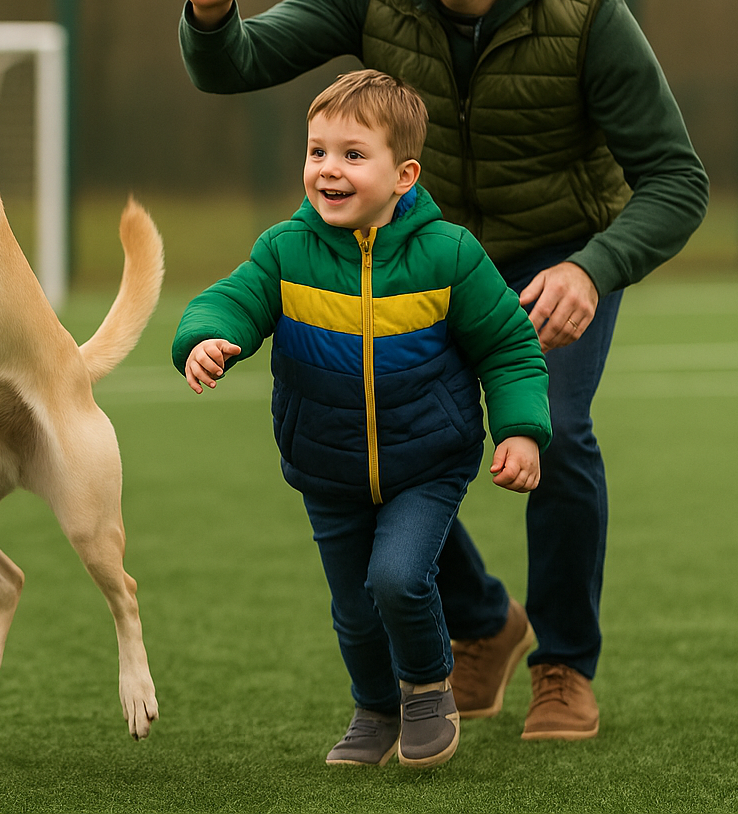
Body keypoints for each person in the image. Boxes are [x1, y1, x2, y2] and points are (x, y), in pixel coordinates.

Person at [173, 0, 708, 740]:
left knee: (557, 430)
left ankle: (564, 665)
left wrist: (593, 269)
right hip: (428, 253)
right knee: (383, 442)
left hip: (556, 255)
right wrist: (214, 17)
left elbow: (676, 179)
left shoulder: (589, 10)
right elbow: (241, 65)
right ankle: (485, 621)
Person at [174, 69, 550, 767]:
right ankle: (375, 708)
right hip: (327, 462)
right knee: (353, 608)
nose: (328, 169)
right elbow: (230, 300)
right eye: (317, 151)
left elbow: (508, 347)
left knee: (398, 578)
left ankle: (427, 689)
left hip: (428, 462)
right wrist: (205, 337)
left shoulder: (449, 254)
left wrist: (521, 430)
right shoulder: (285, 251)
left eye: (352, 154)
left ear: (404, 175)